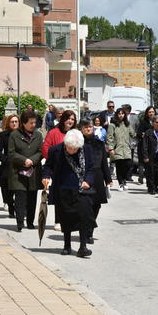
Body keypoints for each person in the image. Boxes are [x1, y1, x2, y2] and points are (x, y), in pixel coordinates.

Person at [42, 129, 96, 258]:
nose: (71, 150)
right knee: (65, 219)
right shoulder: (56, 150)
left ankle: (83, 246)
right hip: (63, 189)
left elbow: (91, 169)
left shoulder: (86, 149)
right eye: (69, 148)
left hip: (82, 190)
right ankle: (67, 245)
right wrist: (46, 176)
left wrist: (88, 181)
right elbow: (48, 166)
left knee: (84, 217)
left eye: (74, 149)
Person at [8, 110, 43, 232]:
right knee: (20, 197)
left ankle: (30, 221)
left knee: (32, 197)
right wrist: (24, 160)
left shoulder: (38, 135)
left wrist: (32, 160)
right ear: (23, 123)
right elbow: (11, 153)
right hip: (18, 171)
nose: (33, 125)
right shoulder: (14, 135)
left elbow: (40, 151)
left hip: (33, 170)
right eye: (31, 123)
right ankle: (19, 222)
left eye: (35, 122)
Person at [42, 110, 77, 231]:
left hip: (73, 169)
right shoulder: (53, 132)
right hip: (58, 169)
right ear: (63, 119)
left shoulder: (76, 133)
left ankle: (70, 220)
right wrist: (53, 160)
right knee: (59, 196)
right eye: (68, 118)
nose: (70, 121)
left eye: (72, 119)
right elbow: (46, 148)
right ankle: (58, 220)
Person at [79, 119, 112, 243]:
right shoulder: (78, 143)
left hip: (98, 176)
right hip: (84, 177)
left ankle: (90, 231)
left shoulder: (99, 143)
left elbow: (104, 163)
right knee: (85, 205)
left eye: (90, 127)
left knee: (96, 205)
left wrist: (108, 179)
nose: (88, 129)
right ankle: (86, 232)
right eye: (86, 127)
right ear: (81, 129)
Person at [0, 114, 20, 218]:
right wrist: (4, 159)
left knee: (20, 190)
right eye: (12, 122)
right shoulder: (4, 135)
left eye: (16, 121)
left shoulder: (23, 134)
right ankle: (11, 208)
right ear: (8, 123)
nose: (14, 123)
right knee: (8, 189)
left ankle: (20, 210)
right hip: (7, 165)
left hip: (20, 164)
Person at [106, 108, 136, 191]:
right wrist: (111, 148)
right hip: (117, 149)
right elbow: (109, 137)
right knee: (119, 167)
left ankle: (124, 180)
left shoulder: (127, 124)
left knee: (128, 165)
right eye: (119, 114)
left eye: (122, 113)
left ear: (125, 115)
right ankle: (121, 183)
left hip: (126, 149)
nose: (121, 115)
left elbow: (133, 134)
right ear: (116, 115)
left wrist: (141, 134)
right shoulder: (112, 125)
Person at [137, 106, 156, 184]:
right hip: (143, 144)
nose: (151, 113)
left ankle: (150, 179)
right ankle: (141, 177)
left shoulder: (157, 121)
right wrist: (144, 135)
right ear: (147, 113)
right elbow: (139, 133)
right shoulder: (143, 122)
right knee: (142, 161)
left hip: (153, 146)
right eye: (149, 112)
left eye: (152, 112)